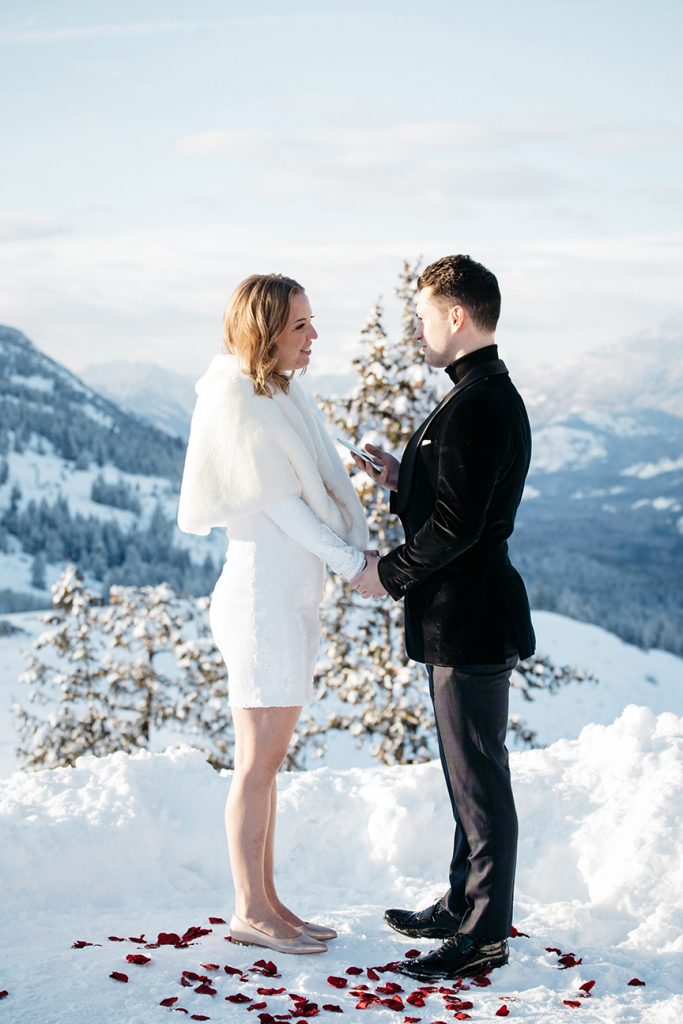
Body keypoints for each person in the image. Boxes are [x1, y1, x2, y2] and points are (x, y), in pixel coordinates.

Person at [351, 254, 535, 980]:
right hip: (462, 616)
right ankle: (464, 903)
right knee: (469, 775)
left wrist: (384, 575)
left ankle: (483, 931)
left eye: (424, 316)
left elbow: (458, 528)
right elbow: (462, 502)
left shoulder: (480, 401)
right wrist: (405, 478)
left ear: (456, 316)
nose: (417, 330)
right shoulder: (478, 392)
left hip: (470, 618)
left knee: (479, 779)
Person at [177, 273, 370, 955]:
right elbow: (280, 504)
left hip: (286, 597)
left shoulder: (276, 394)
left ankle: (269, 901)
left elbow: (300, 479)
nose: (313, 336)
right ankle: (249, 910)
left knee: (269, 761)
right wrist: (355, 566)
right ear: (265, 331)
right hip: (260, 600)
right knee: (256, 763)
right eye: (300, 326)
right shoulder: (234, 397)